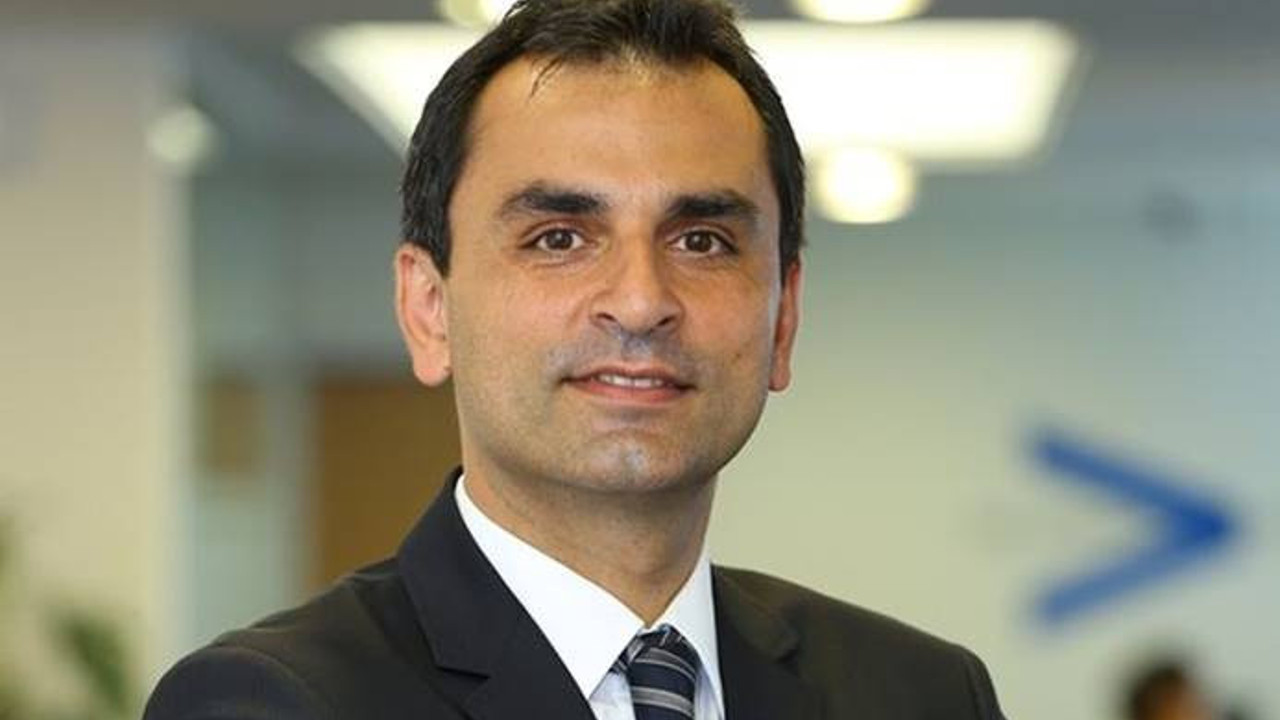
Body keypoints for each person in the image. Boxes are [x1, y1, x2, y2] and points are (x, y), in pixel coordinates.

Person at [144, 0, 1006, 717]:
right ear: (429, 309)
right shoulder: (272, 703)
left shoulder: (924, 695)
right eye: (558, 237)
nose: (640, 301)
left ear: (784, 320)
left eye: (702, 240)